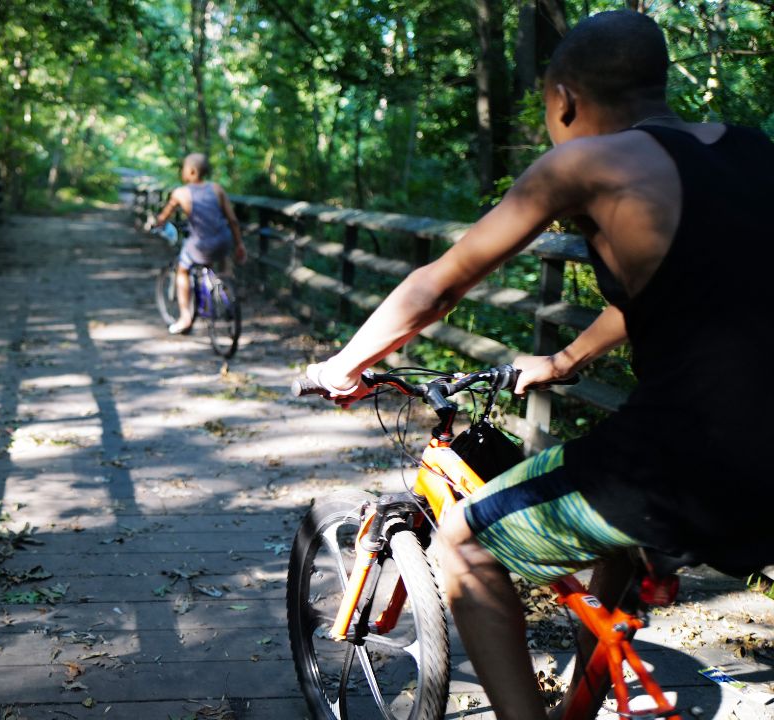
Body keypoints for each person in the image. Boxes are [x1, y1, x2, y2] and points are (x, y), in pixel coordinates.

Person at [303, 10, 773, 720]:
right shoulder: (748, 151)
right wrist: (565, 357)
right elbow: (687, 286)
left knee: (461, 543)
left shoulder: (588, 160)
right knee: (622, 546)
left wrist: (344, 363)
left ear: (563, 99)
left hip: (691, 452)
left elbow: (444, 283)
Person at [150, 153, 247, 334]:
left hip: (201, 245)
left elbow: (163, 218)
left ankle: (185, 317)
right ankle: (226, 288)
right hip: (223, 242)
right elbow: (232, 220)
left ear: (192, 171)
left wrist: (156, 224)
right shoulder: (217, 189)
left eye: (185, 168)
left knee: (182, 270)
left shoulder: (181, 193)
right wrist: (239, 244)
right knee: (219, 255)